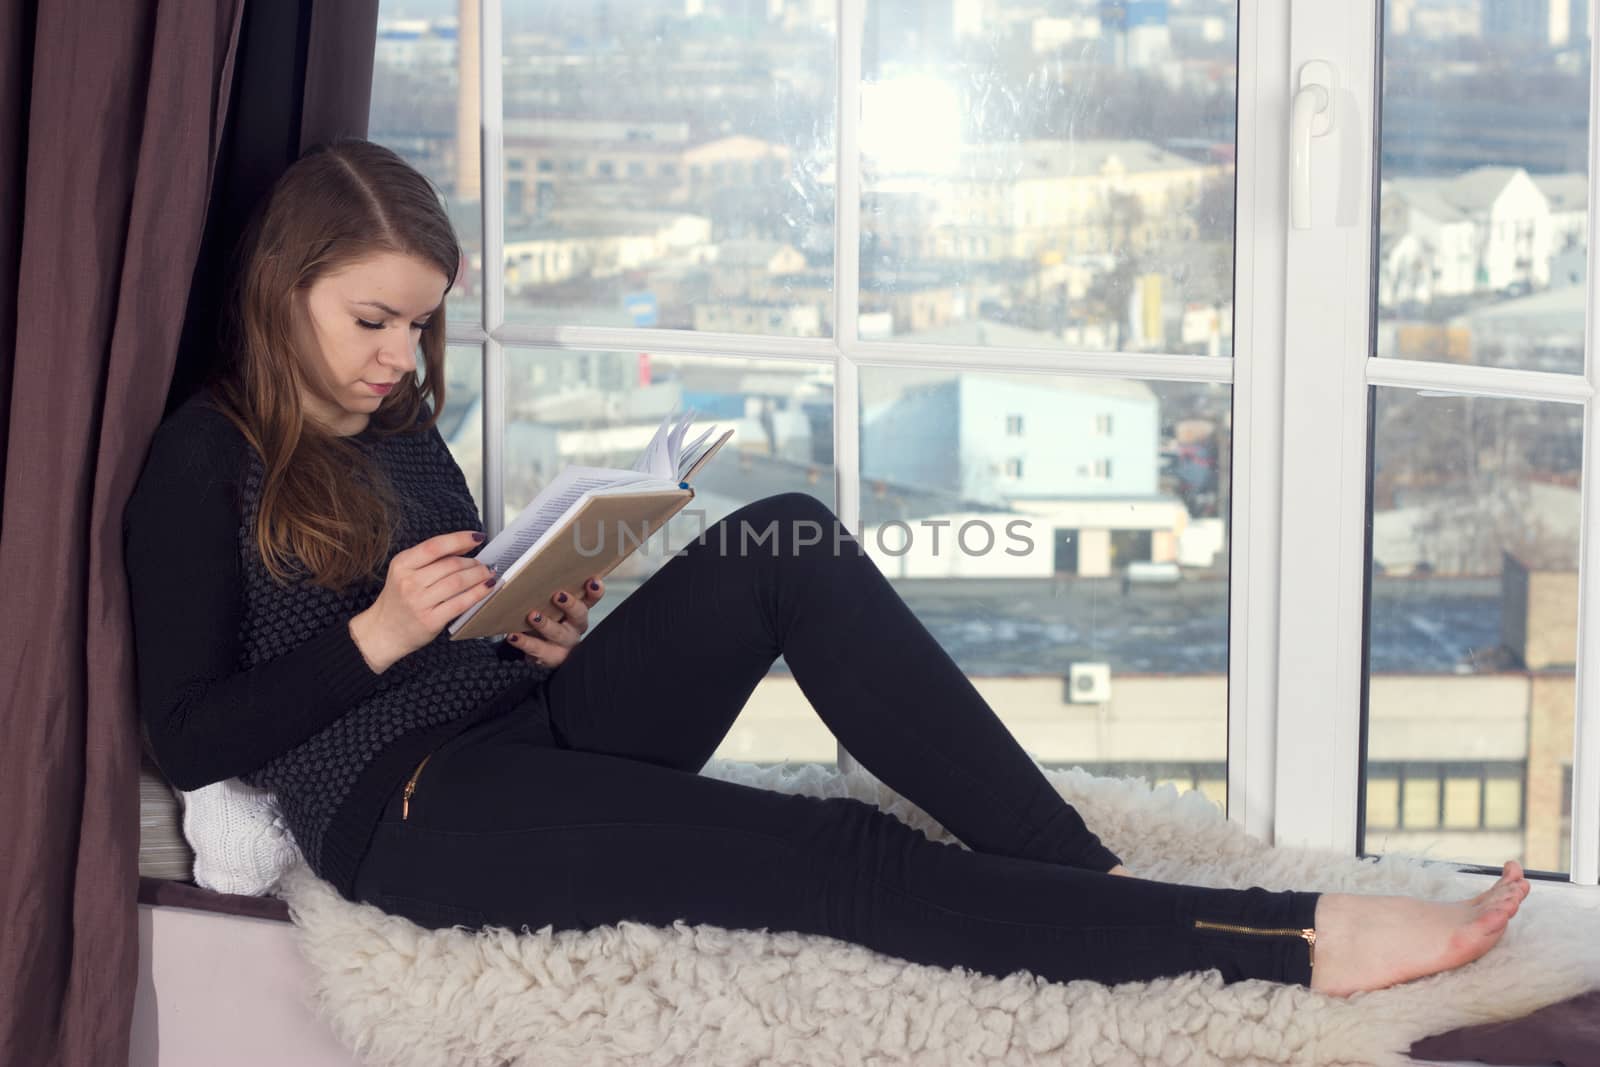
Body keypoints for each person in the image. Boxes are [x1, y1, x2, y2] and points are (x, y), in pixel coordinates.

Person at [124, 138, 1529, 1002]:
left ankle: (1077, 876)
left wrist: (522, 627)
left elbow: (453, 622)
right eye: (373, 321)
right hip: (412, 816)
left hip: (517, 720)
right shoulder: (206, 460)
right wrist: (375, 638)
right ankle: (1293, 943)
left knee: (785, 538)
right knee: (832, 857)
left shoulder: (401, 424)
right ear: (281, 284)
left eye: (418, 331)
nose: (397, 361)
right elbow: (185, 733)